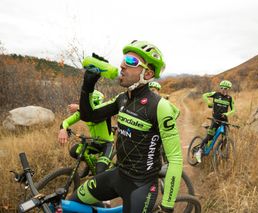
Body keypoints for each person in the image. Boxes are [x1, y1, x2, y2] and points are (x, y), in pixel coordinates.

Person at [70, 40, 183, 213]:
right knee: (76, 201)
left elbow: (175, 159)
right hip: (118, 174)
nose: (122, 65)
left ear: (148, 73)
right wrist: (88, 85)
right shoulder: (122, 99)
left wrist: (167, 206)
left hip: (142, 185)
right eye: (124, 60)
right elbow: (88, 115)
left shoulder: (160, 107)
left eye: (131, 62)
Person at [58, 90, 114, 174]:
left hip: (107, 144)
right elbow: (66, 122)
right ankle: (90, 163)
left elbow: (95, 117)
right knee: (74, 151)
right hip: (95, 142)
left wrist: (79, 107)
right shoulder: (83, 112)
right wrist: (63, 129)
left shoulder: (104, 111)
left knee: (99, 171)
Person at [195, 80, 235, 163]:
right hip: (215, 119)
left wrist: (227, 113)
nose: (224, 90)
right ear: (220, 88)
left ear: (229, 89)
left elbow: (233, 110)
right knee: (210, 136)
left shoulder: (229, 98)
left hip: (224, 121)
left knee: (225, 138)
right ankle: (198, 151)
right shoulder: (215, 94)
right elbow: (204, 95)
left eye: (226, 88)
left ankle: (220, 153)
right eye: (223, 88)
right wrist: (209, 102)